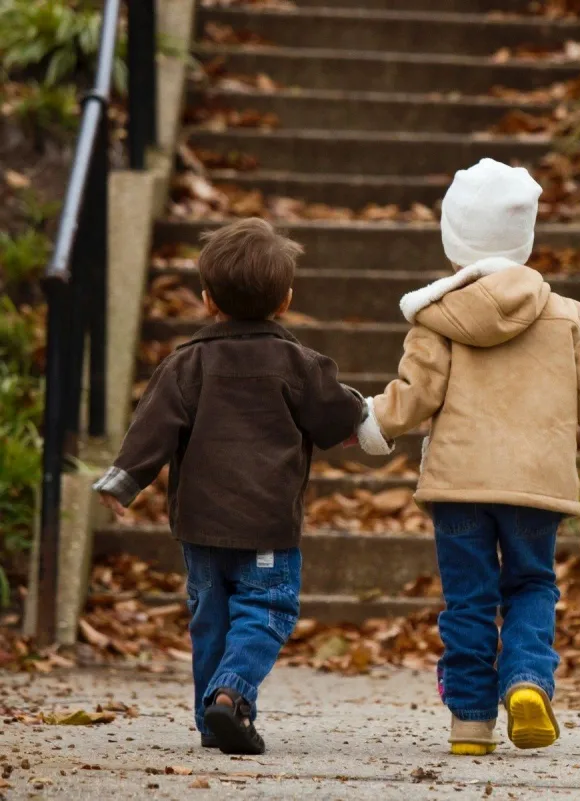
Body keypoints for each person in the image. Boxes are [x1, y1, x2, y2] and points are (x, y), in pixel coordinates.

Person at [354, 158, 580, 755]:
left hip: (458, 485)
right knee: (532, 585)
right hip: (535, 486)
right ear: (526, 239)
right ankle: (525, 682)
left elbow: (415, 396)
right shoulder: (569, 316)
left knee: (468, 599)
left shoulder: (437, 319)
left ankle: (468, 722)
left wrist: (371, 423)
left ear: (453, 240)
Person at [93, 218, 366, 755]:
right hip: (266, 525)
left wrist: (122, 482)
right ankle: (229, 698)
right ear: (285, 301)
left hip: (199, 526)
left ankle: (212, 719)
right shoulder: (297, 364)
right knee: (266, 612)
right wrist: (360, 422)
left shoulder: (184, 365)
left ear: (207, 300)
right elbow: (335, 411)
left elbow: (151, 428)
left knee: (210, 619)